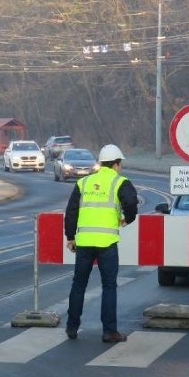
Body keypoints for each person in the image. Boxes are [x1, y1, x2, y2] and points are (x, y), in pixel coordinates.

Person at [63, 144, 138, 343]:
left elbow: (71, 212)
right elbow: (131, 203)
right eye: (120, 164)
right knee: (109, 286)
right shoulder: (121, 182)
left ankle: (72, 326)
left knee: (79, 284)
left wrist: (70, 237)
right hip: (107, 242)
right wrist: (127, 219)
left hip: (85, 242)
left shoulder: (84, 182)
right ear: (116, 164)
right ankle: (109, 331)